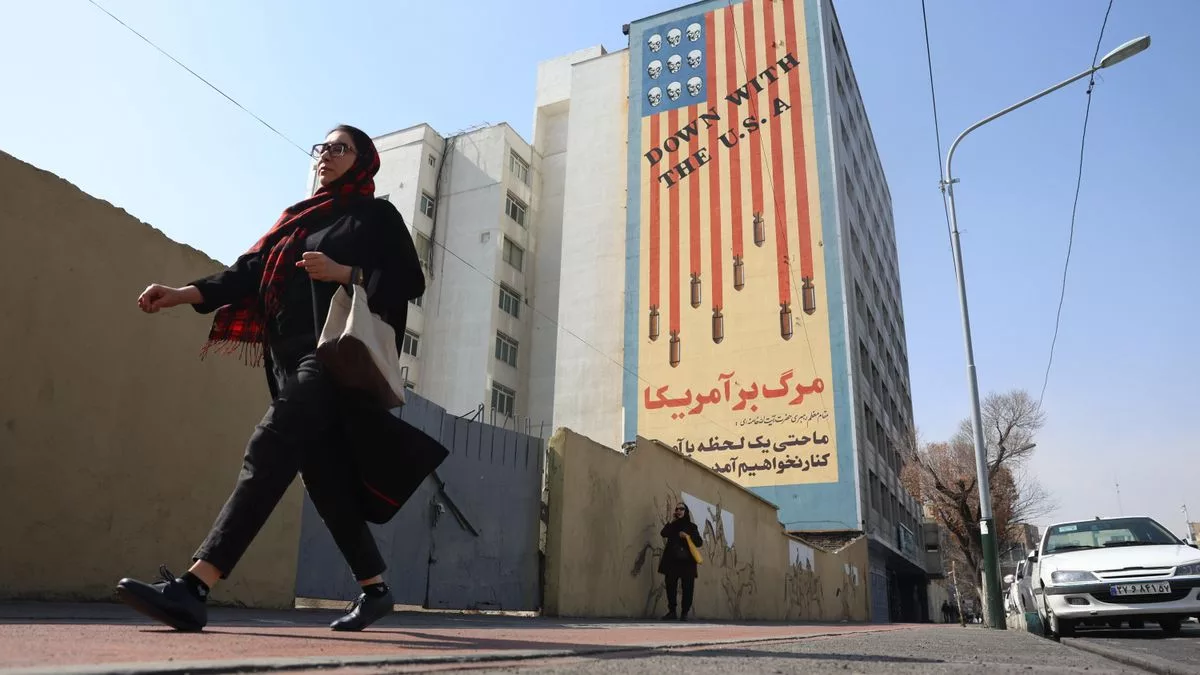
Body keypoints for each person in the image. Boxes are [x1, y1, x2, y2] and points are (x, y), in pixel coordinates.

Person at [116, 124, 424, 633]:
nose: (326, 155)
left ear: (363, 160)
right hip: (283, 360)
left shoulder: (375, 216)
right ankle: (375, 590)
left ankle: (195, 586)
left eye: (340, 148)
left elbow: (410, 280)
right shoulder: (299, 218)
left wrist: (345, 273)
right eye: (322, 147)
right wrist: (181, 293)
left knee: (269, 445)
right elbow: (248, 273)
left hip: (332, 353)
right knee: (323, 477)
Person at [658, 502, 703, 621]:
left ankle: (684, 613)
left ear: (686, 511)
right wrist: (671, 521)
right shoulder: (673, 525)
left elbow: (699, 542)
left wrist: (688, 536)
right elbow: (663, 533)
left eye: (681, 509)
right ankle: (672, 611)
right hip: (672, 561)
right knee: (670, 586)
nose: (679, 511)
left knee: (687, 588)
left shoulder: (692, 527)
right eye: (677, 509)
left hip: (687, 562)